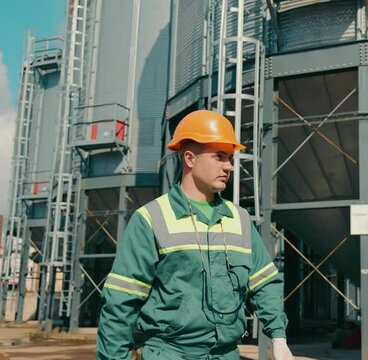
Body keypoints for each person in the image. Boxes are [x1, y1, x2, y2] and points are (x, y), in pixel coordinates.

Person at [97, 110, 294, 360]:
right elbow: (121, 302)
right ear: (190, 159)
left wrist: (278, 336)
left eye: (230, 158)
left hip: (226, 354)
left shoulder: (239, 220)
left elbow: (264, 282)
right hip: (168, 353)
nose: (229, 166)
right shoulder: (151, 219)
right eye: (219, 156)